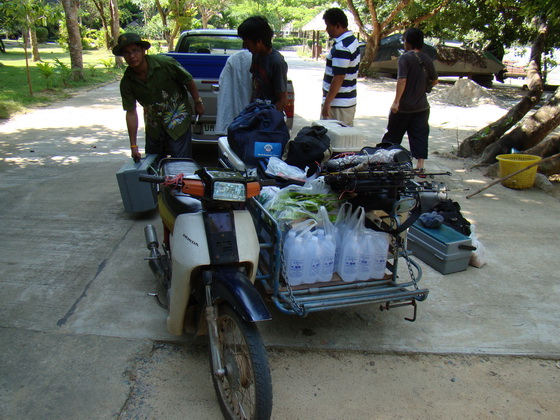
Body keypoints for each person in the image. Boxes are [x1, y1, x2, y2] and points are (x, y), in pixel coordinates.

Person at [113, 33, 205, 162]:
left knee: (180, 163)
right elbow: (131, 112)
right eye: (127, 53)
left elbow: (188, 80)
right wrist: (133, 146)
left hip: (177, 119)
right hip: (154, 125)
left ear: (143, 51)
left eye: (135, 51)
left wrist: (198, 102)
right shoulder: (127, 82)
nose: (132, 56)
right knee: (153, 165)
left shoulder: (165, 64)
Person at [382, 28, 438, 172]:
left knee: (393, 135)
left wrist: (396, 102)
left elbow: (402, 80)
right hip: (422, 107)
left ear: (408, 41)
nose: (404, 43)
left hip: (404, 107)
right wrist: (424, 88)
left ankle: (386, 161)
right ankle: (420, 166)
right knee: (420, 135)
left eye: (404, 40)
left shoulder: (405, 58)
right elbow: (435, 80)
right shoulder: (426, 58)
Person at [237, 16, 288, 112]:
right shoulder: (256, 56)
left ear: (259, 42)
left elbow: (282, 101)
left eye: (246, 42)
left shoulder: (277, 62)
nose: (244, 46)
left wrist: (266, 118)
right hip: (255, 112)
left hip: (267, 120)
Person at [321, 8, 360, 126]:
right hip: (347, 101)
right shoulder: (352, 41)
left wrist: (327, 102)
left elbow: (339, 77)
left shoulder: (342, 47)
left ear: (338, 25)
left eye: (328, 26)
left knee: (332, 141)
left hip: (337, 105)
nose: (327, 30)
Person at [215, 49, 253, 134]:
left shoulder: (232, 59)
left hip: (232, 118)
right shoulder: (257, 59)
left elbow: (222, 82)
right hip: (252, 116)